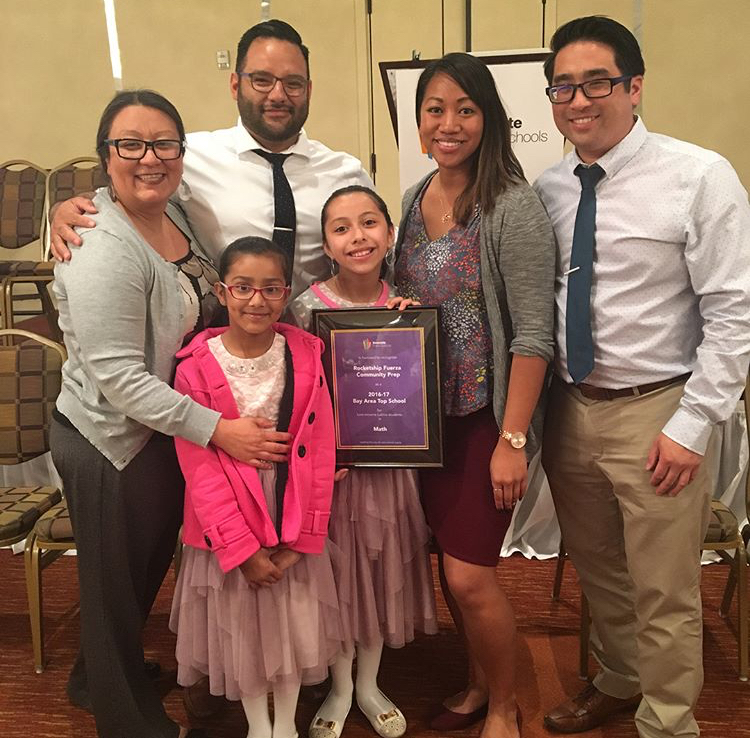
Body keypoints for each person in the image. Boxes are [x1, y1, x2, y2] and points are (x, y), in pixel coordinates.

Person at [50, 90, 291, 738]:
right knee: (111, 588)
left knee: (134, 577)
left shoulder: (173, 210)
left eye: (163, 144)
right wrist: (220, 430)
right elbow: (120, 380)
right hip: (110, 440)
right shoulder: (101, 246)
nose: (149, 158)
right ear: (106, 156)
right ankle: (131, 723)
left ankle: (91, 678)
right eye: (130, 144)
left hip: (162, 432)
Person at [534, 16, 750, 738]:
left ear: (634, 87)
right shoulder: (549, 187)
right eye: (563, 86)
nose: (578, 100)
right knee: (600, 570)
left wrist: (693, 425)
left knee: (665, 588)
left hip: (658, 410)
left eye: (596, 82)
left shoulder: (699, 177)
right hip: (571, 410)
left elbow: (734, 311)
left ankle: (668, 721)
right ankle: (621, 680)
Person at [394, 53, 555, 738]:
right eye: (435, 108)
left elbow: (535, 336)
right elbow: (408, 295)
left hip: (487, 419)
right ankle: (477, 681)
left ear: (489, 118)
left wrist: (512, 440)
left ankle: (505, 706)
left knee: (469, 575)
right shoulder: (414, 197)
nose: (449, 123)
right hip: (426, 423)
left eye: (466, 108)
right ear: (419, 121)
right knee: (450, 565)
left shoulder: (513, 206)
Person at [49, 19, 372, 298]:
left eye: (293, 83)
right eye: (261, 80)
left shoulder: (345, 173)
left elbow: (379, 246)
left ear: (309, 90)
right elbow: (123, 197)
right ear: (235, 85)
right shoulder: (188, 157)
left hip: (317, 336)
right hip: (219, 338)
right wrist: (63, 211)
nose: (278, 95)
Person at [170, 236, 341, 738]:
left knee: (292, 622)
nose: (256, 300)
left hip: (291, 505)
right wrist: (241, 549)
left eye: (271, 288)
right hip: (227, 515)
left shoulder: (306, 354)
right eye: (242, 287)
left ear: (286, 293)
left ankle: (284, 726)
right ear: (221, 292)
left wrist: (306, 538)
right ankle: (257, 726)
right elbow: (199, 469)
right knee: (241, 628)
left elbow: (321, 448)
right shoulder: (194, 368)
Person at [287, 186, 438, 738]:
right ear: (326, 245)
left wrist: (412, 330)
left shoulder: (407, 308)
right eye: (342, 228)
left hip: (389, 472)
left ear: (390, 233)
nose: (358, 237)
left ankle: (369, 684)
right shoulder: (305, 309)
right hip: (329, 475)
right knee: (334, 577)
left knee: (378, 574)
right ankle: (340, 685)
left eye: (370, 223)